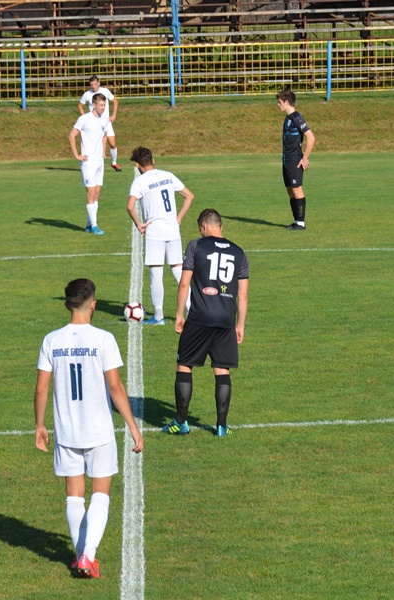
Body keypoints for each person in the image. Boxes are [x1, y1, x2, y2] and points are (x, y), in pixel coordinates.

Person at [34, 278, 144, 579]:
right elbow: (116, 387)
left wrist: (40, 425)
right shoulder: (103, 339)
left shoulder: (51, 340)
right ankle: (88, 556)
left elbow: (41, 389)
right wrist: (133, 427)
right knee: (100, 494)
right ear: (93, 304)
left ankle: (80, 555)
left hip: (67, 431)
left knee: (74, 496)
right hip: (99, 431)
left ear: (67, 304)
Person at [164, 209, 248, 437]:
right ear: (220, 226)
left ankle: (181, 422)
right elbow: (243, 295)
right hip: (226, 320)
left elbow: (184, 284)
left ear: (203, 226)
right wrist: (240, 325)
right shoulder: (239, 252)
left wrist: (179, 314)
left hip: (199, 318)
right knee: (222, 369)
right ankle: (221, 426)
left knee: (185, 364)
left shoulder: (196, 246)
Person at [126, 146, 194, 325]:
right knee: (178, 271)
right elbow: (189, 196)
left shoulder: (139, 182)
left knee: (156, 273)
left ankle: (158, 316)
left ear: (137, 165)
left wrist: (139, 224)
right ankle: (192, 311)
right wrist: (178, 218)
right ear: (153, 161)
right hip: (172, 230)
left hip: (155, 231)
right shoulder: (168, 175)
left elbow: (130, 206)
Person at [68, 93, 108, 235]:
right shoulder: (84, 119)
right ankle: (95, 225)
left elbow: (104, 135)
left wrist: (103, 152)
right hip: (88, 162)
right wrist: (77, 155)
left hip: (99, 162)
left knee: (97, 193)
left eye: (105, 105)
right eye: (101, 105)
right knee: (90, 193)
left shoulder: (104, 120)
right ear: (94, 105)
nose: (103, 107)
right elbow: (71, 135)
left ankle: (89, 224)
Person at [277, 89, 315, 230]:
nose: (278, 105)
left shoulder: (297, 117)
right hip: (286, 160)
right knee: (290, 190)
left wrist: (305, 158)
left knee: (297, 189)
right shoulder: (288, 118)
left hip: (295, 160)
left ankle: (301, 222)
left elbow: (311, 137)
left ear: (287, 102)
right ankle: (296, 221)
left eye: (280, 102)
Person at [78, 76, 121, 172]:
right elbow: (80, 106)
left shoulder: (105, 91)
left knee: (113, 144)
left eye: (94, 84)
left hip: (106, 122)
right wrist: (86, 117)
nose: (93, 86)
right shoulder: (87, 94)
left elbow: (115, 102)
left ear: (98, 83)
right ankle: (90, 163)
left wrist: (114, 115)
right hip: (95, 124)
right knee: (94, 145)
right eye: (91, 85)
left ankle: (114, 163)